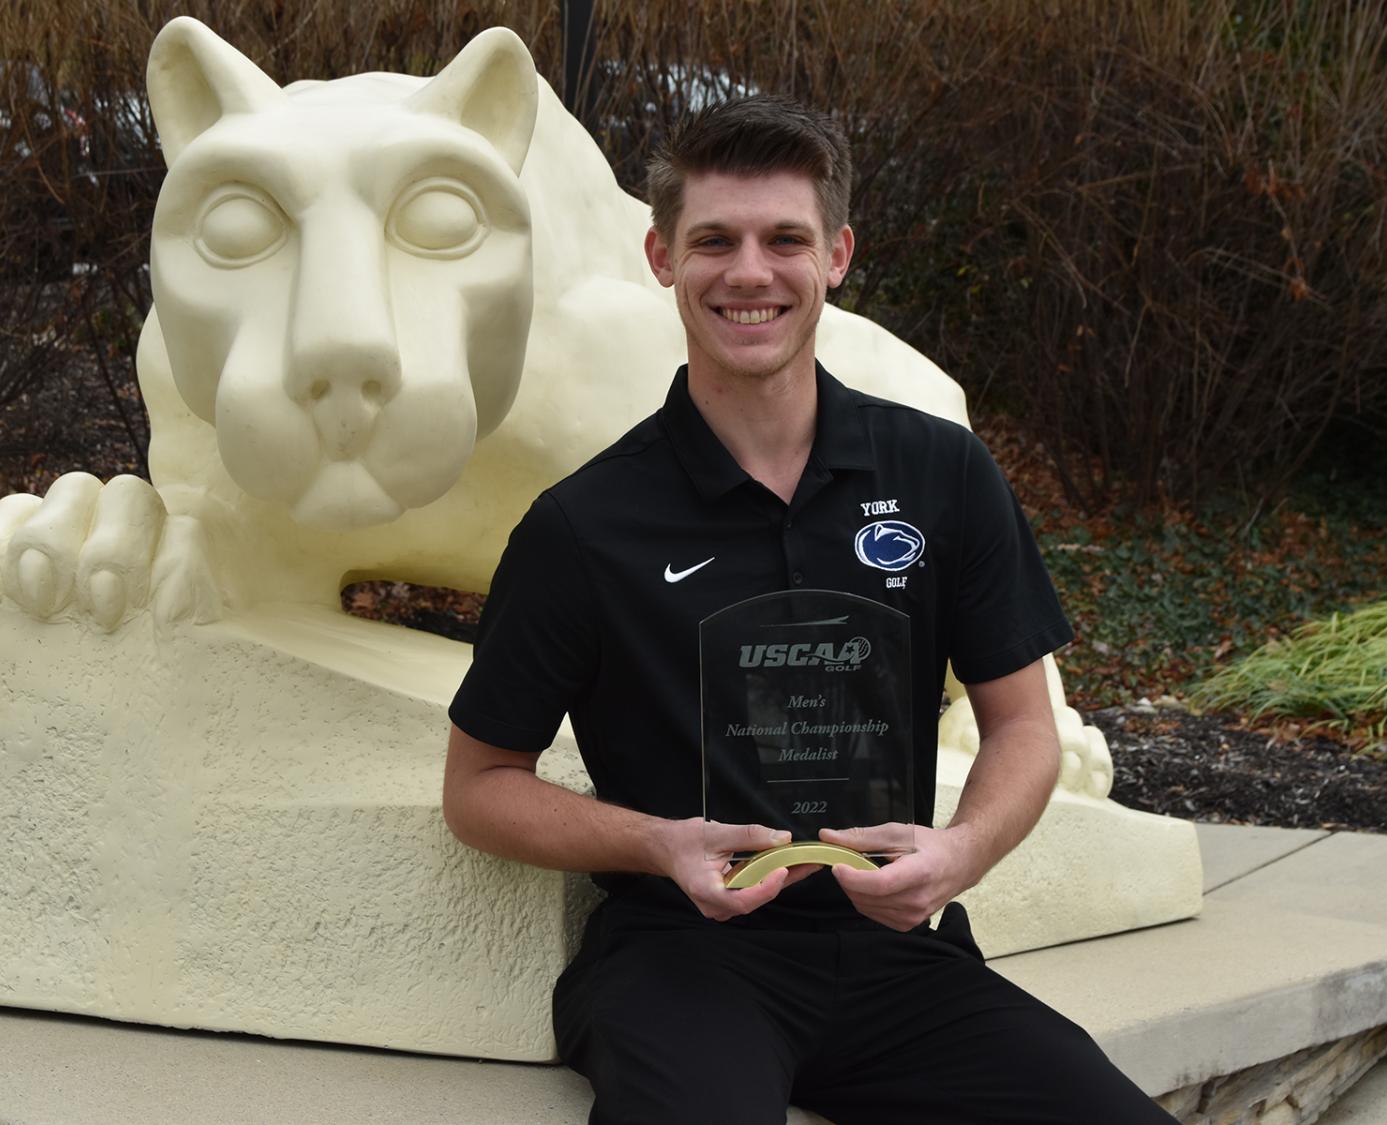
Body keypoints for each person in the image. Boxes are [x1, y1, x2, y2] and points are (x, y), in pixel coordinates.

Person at [445, 95, 1175, 1124]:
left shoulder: (942, 473)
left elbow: (1022, 726)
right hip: (682, 962)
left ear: (835, 255)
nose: (750, 272)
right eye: (714, 241)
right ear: (661, 257)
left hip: (897, 960)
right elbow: (478, 786)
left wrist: (958, 854)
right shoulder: (583, 526)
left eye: (784, 239)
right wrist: (657, 845)